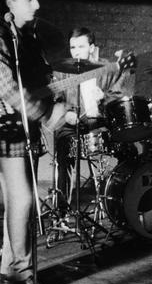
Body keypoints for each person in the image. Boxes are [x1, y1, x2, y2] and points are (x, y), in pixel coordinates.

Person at [0, 0, 65, 284]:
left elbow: (43, 77)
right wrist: (46, 113)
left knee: (17, 200)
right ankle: (25, 272)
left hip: (26, 128)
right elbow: (5, 87)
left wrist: (62, 94)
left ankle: (9, 269)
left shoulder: (29, 38)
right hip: (5, 130)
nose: (37, 5)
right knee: (25, 199)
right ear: (10, 4)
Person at [53, 27, 131, 209]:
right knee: (63, 150)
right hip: (74, 125)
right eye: (73, 47)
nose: (76, 52)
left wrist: (104, 96)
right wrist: (66, 113)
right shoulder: (62, 71)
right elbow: (57, 98)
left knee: (128, 149)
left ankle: (121, 200)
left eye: (81, 47)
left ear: (91, 47)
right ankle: (62, 209)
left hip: (100, 123)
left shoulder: (106, 68)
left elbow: (119, 93)